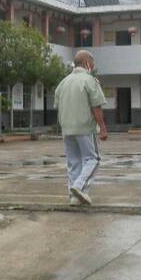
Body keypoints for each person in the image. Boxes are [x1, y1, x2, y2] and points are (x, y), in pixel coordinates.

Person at [55, 50, 108, 206]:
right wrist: (102, 128)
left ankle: (74, 198)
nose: (94, 66)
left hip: (67, 129)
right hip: (84, 128)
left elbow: (58, 106)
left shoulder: (63, 82)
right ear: (86, 63)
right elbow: (96, 107)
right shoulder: (89, 80)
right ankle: (79, 187)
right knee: (93, 159)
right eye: (92, 62)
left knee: (74, 162)